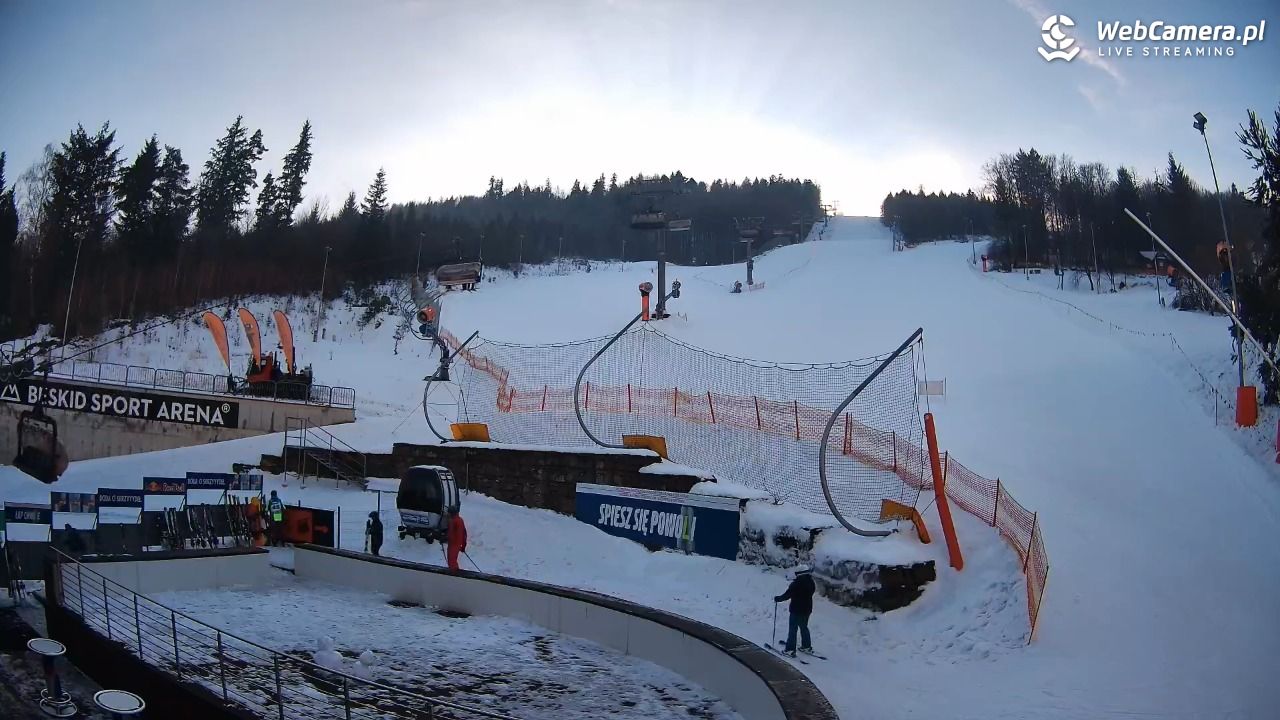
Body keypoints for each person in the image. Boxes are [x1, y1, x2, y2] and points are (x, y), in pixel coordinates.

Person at [774, 565, 816, 656]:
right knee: (804, 627)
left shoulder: (797, 584)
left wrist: (778, 599)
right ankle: (806, 646)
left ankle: (790, 650)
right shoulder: (811, 582)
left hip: (796, 610)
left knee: (793, 629)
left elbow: (787, 595)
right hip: (807, 610)